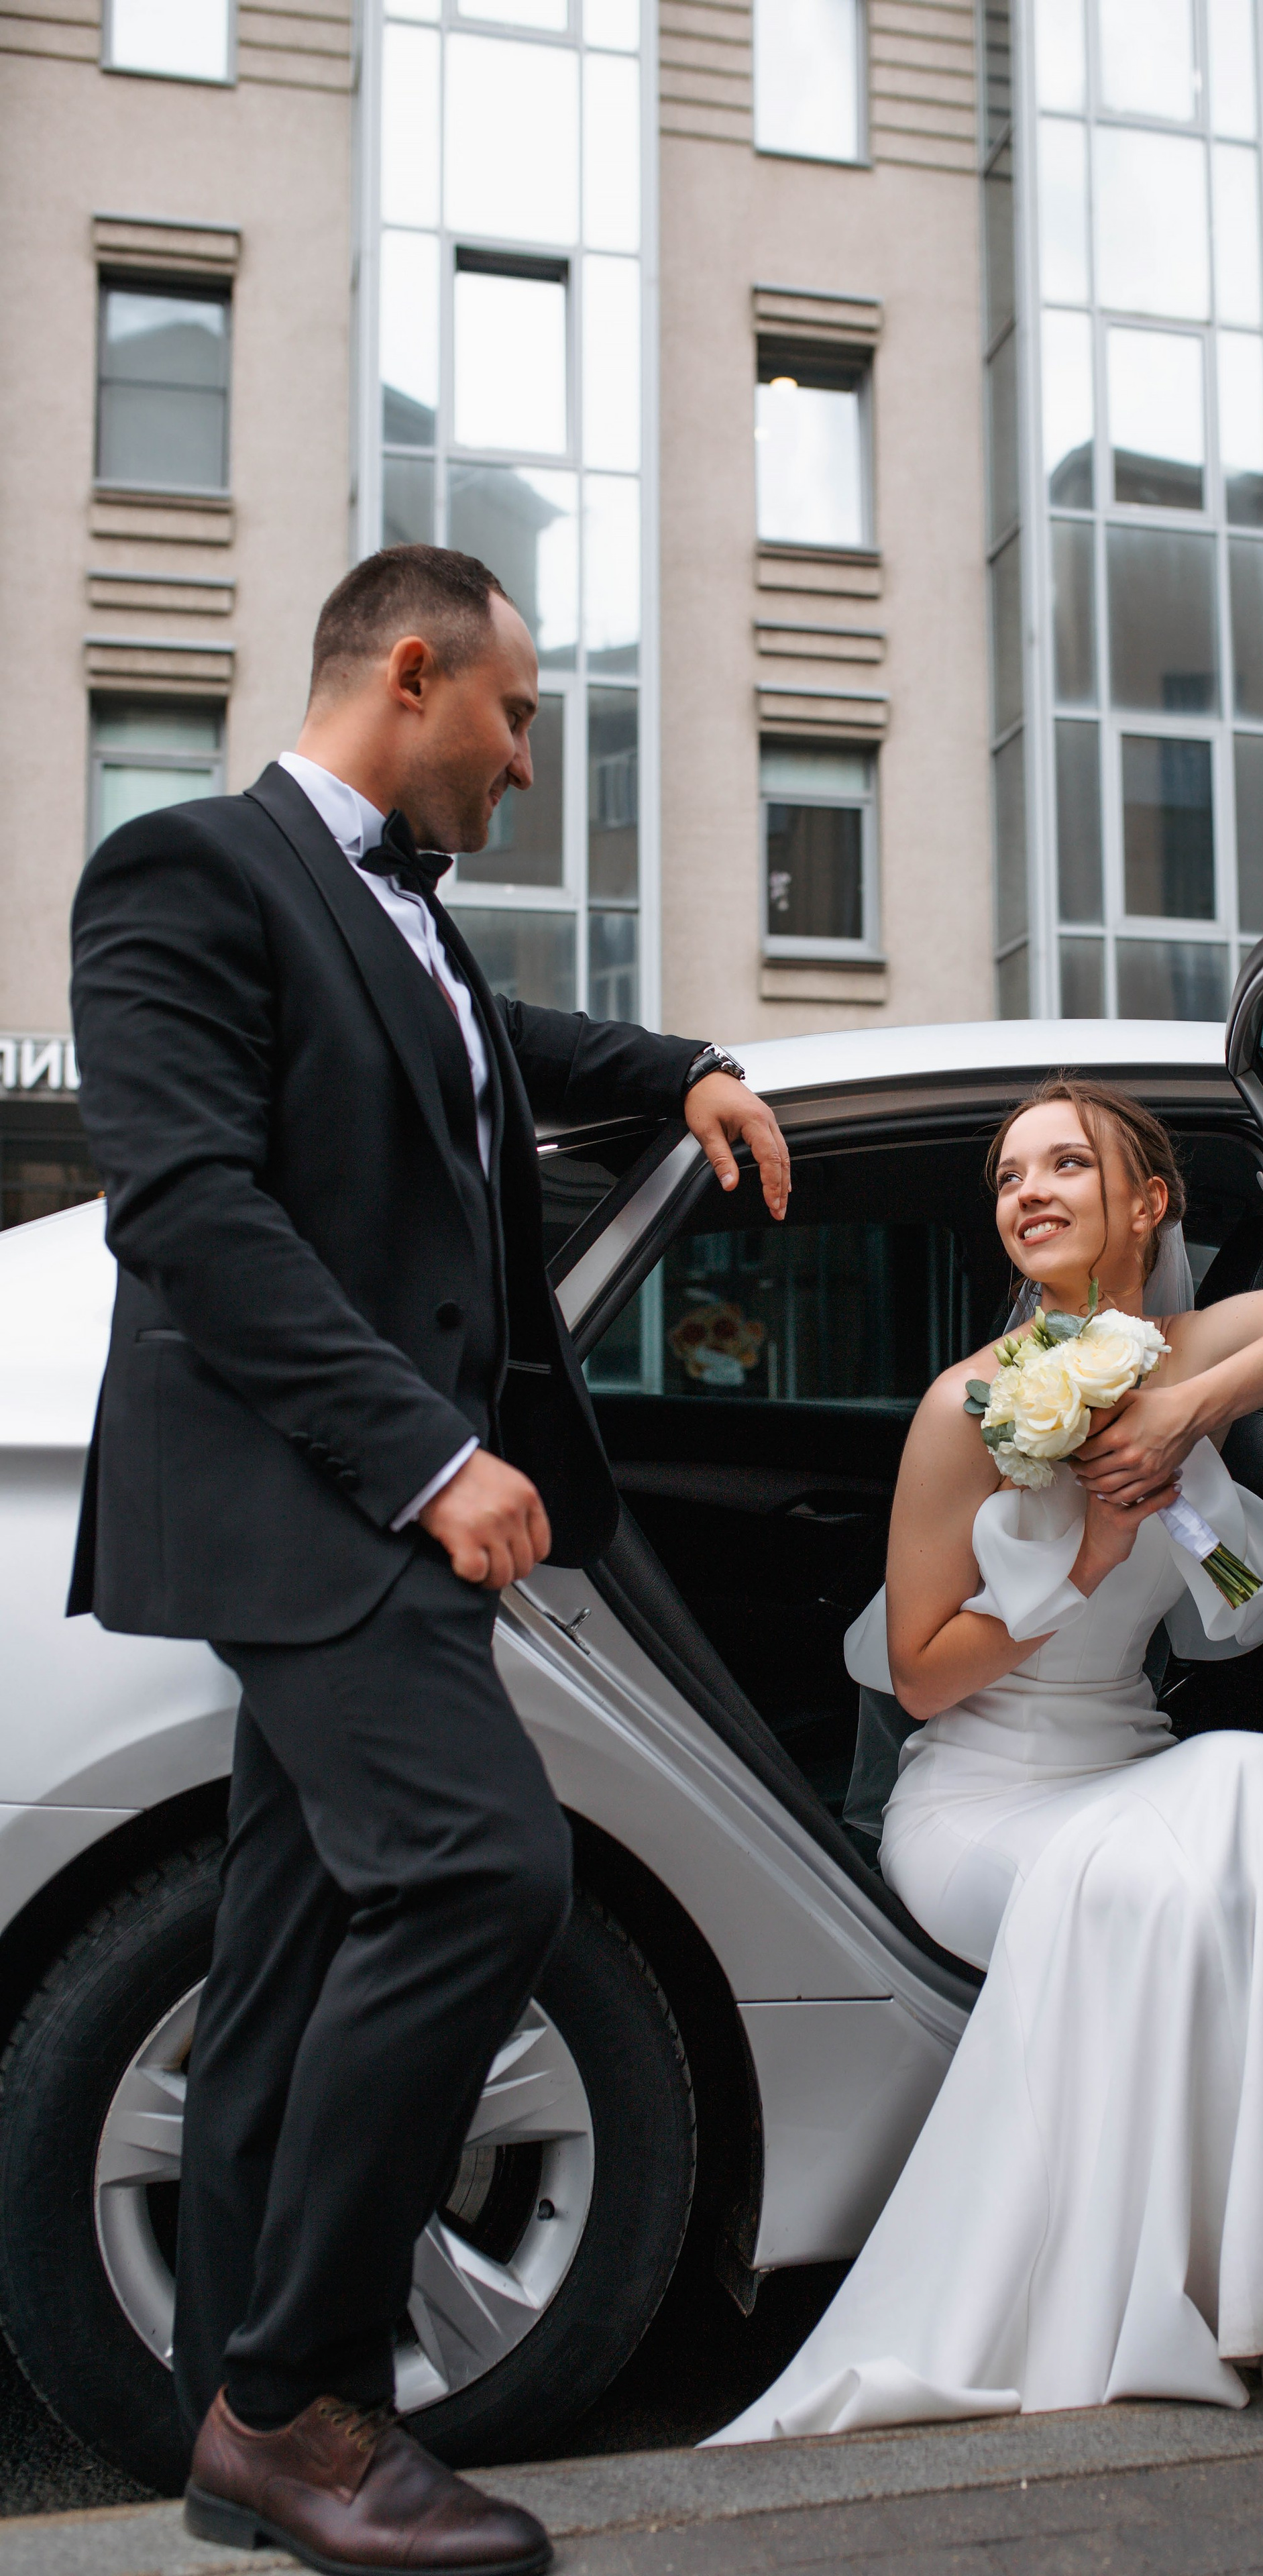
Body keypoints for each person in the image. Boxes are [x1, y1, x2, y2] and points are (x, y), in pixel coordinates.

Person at [67, 544, 791, 2576]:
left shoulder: (413, 926)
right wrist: (430, 1458)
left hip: (353, 1512)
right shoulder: (186, 870)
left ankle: (233, 2431)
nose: (529, 760)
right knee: (483, 1871)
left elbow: (507, 1047)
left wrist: (683, 1069)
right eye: (520, 713)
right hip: (312, 1502)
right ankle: (295, 2406)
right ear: (412, 670)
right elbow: (187, 1209)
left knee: (286, 1969)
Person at [709, 1076, 1263, 2452]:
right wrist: (1088, 1561)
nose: (1027, 1193)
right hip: (980, 1803)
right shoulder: (967, 1405)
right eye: (1007, 1176)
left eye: (1064, 1166)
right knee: (1193, 1861)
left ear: (1147, 1202)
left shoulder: (1186, 1352)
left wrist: (1194, 1405)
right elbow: (921, 1672)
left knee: (1245, 1776)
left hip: (1130, 1764)